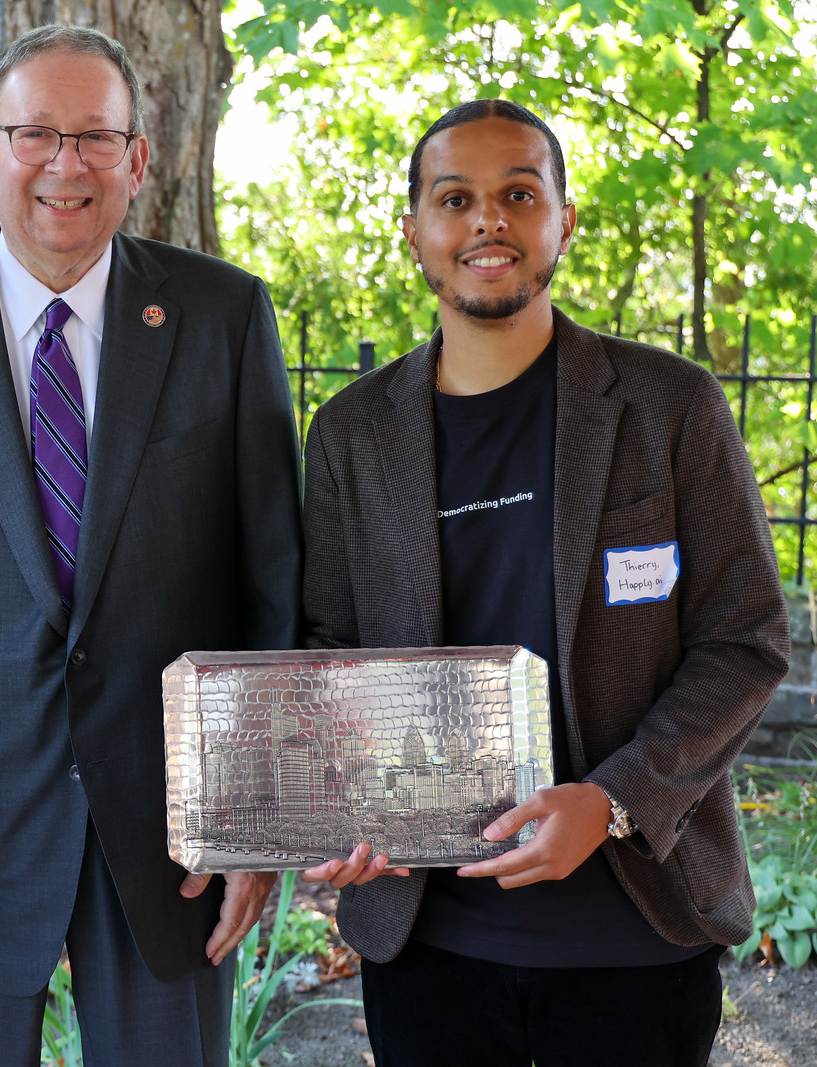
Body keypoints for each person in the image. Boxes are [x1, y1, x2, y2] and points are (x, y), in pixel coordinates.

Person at [0, 24, 302, 1067]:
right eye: (35, 133)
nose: (65, 164)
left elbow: (272, 586)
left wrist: (258, 819)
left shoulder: (224, 317)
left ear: (137, 161)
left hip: (177, 847)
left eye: (94, 137)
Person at [299, 100, 791, 1066]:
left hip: (636, 939)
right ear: (415, 233)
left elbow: (746, 639)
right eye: (457, 199)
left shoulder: (668, 406)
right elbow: (331, 650)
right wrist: (344, 802)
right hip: (429, 943)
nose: (489, 221)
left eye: (520, 194)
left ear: (564, 220)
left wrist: (609, 801)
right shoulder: (350, 433)